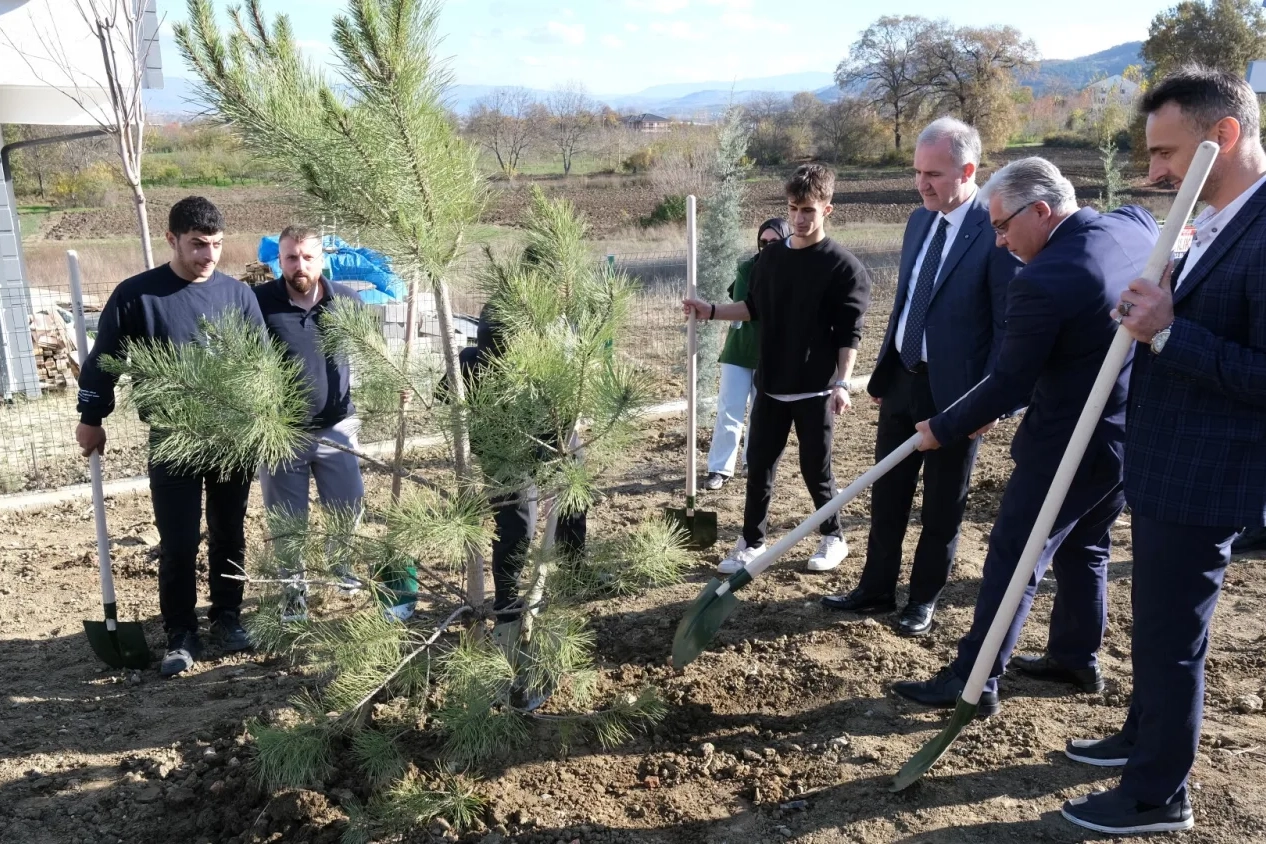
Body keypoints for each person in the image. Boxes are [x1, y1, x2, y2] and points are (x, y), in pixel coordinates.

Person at [1062, 66, 1266, 836]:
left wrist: (1172, 332)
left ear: (1225, 137)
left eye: (1165, 153)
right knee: (1155, 626)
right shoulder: (1213, 217)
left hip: (1209, 472)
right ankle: (1139, 738)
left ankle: (1157, 794)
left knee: (1174, 637)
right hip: (1163, 462)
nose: (1152, 174)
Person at [890, 158, 1157, 716]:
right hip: (1128, 434)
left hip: (1067, 445)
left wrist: (942, 426)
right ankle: (1075, 656)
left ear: (1041, 210)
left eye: (1004, 226)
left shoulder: (1044, 278)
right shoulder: (1131, 225)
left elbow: (1010, 382)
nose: (999, 240)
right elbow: (1156, 237)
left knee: (1015, 559)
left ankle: (973, 678)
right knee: (1086, 546)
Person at [821, 117, 1021, 636]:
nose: (920, 183)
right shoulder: (918, 221)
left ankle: (923, 599)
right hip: (904, 378)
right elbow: (908, 302)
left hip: (958, 394)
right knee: (887, 493)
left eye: (932, 173)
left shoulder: (993, 229)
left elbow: (1006, 323)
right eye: (917, 171)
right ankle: (876, 589)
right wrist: (887, 369)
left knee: (942, 504)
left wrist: (991, 402)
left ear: (968, 170)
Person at [76, 196, 266, 678]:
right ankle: (181, 633)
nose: (209, 256)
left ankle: (228, 617)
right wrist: (92, 415)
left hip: (232, 437)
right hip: (172, 438)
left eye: (217, 245)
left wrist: (263, 418)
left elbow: (262, 364)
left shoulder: (237, 295)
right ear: (172, 239)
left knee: (229, 532)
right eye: (198, 245)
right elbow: (104, 360)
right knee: (179, 542)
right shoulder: (137, 295)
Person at [683, 163, 872, 574]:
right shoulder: (770, 261)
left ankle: (833, 536)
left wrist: (842, 383)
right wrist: (710, 310)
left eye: (808, 210)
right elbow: (752, 309)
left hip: (816, 390)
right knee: (759, 466)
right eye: (793, 209)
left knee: (815, 470)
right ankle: (751, 543)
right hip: (770, 385)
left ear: (827, 209)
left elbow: (849, 333)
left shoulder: (844, 268)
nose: (800, 219)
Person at [253, 225, 365, 622]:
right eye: (290, 257)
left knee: (347, 506)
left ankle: (342, 567)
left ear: (322, 259)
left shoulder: (347, 302)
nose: (299, 265)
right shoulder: (259, 303)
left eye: (307, 256)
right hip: (283, 434)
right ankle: (293, 592)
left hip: (338, 429)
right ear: (279, 260)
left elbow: (364, 354)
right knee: (287, 518)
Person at [704, 218, 792, 491]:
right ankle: (719, 469)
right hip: (740, 350)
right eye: (762, 242)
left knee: (760, 412)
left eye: (773, 242)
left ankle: (751, 462)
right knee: (729, 411)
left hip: (772, 353)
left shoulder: (797, 270)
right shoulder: (747, 268)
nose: (766, 247)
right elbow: (747, 307)